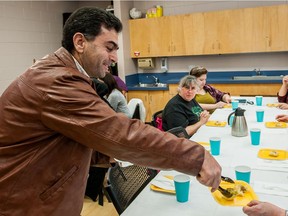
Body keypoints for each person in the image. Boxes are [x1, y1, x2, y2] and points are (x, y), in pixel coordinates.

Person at [0, 7, 221, 215]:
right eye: (109, 47)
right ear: (80, 42)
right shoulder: (57, 81)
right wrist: (195, 156)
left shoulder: (68, 76)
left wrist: (106, 152)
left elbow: (68, 139)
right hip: (24, 205)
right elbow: (119, 133)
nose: (115, 58)